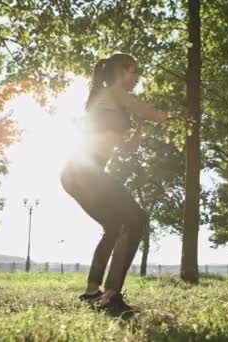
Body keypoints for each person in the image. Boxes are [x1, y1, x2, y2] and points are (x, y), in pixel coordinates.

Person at [60, 53, 166, 316]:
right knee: (137, 218)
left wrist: (138, 127)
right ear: (120, 71)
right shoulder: (115, 92)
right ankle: (111, 296)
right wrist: (170, 114)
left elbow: (128, 148)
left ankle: (92, 292)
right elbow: (153, 113)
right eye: (134, 70)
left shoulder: (108, 101)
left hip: (76, 173)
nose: (137, 76)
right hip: (86, 170)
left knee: (113, 227)